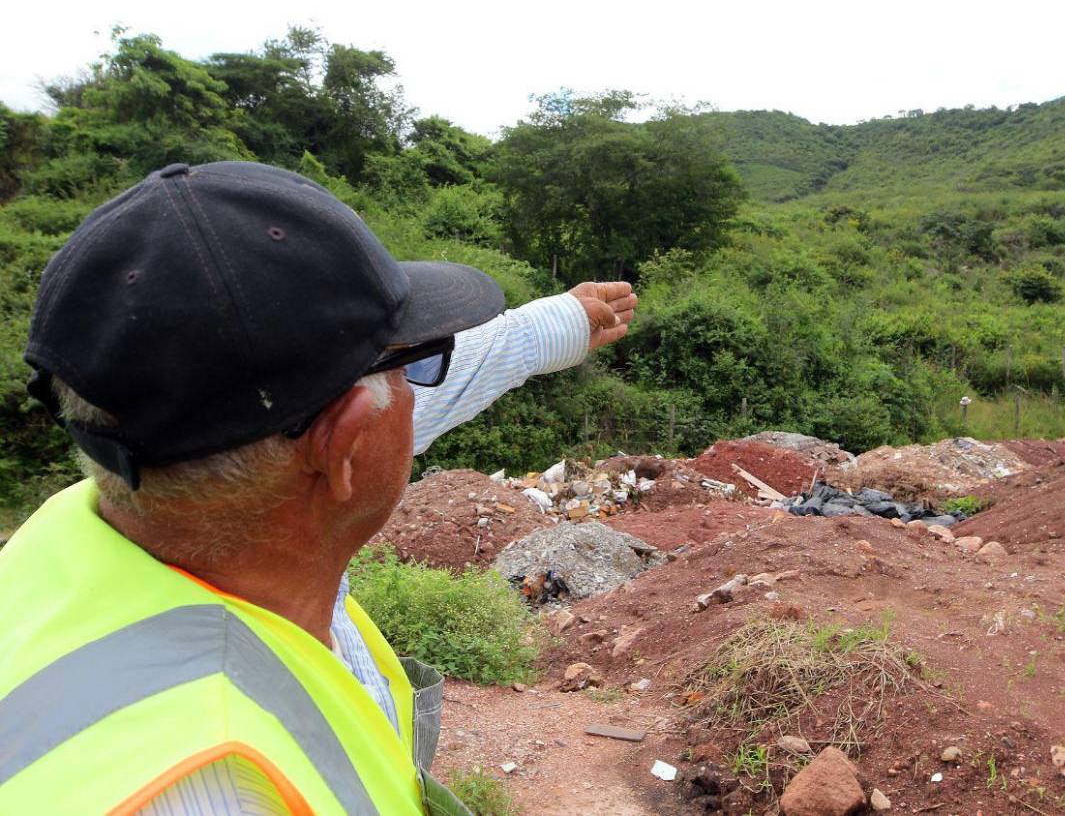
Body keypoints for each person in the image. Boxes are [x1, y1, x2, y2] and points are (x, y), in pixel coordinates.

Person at [0, 161, 637, 815]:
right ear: (343, 448)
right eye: (411, 362)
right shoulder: (217, 788)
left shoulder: (90, 529)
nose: (421, 392)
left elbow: (383, 407)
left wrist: (557, 325)